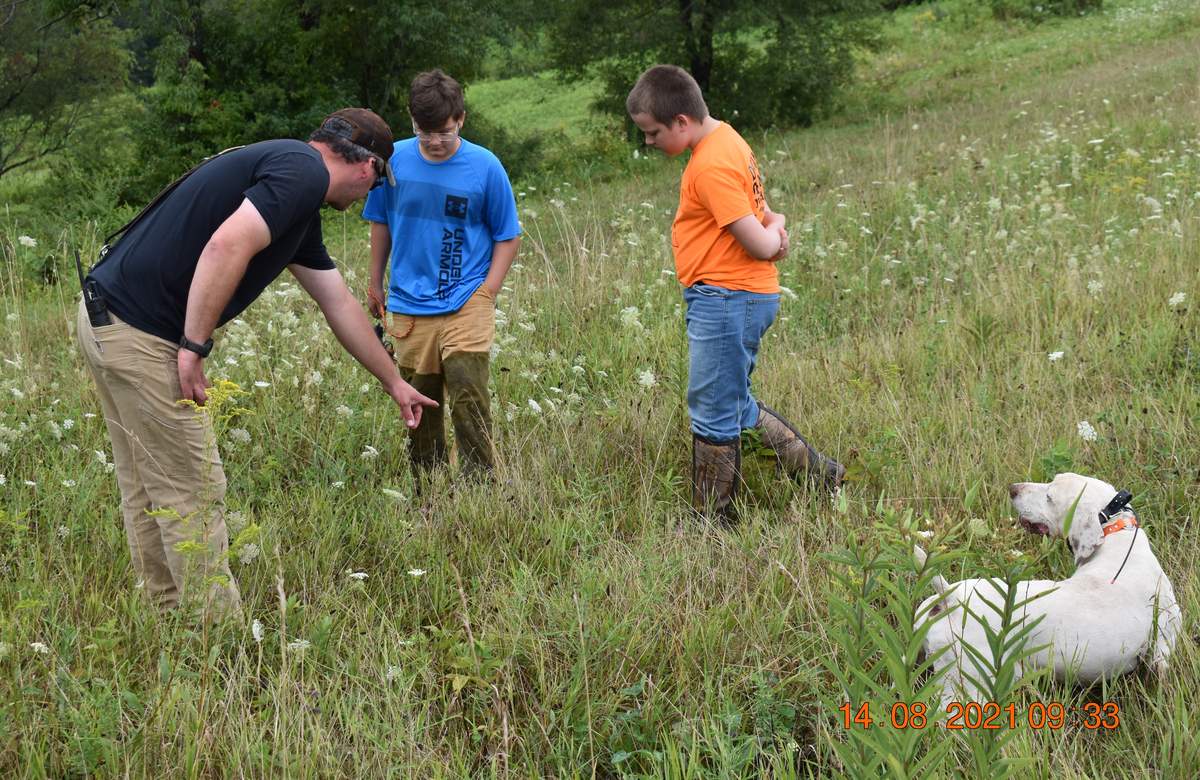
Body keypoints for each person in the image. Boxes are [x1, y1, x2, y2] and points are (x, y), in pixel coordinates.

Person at [76, 109, 438, 617]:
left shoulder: (294, 197)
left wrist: (395, 383)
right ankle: (213, 641)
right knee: (191, 490)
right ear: (367, 166)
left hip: (105, 320)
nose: (368, 197)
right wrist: (193, 345)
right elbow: (228, 245)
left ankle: (172, 619)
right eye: (376, 183)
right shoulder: (302, 172)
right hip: (143, 334)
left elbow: (339, 304)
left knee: (148, 483)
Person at [626, 65, 844, 522]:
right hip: (732, 297)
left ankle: (713, 520)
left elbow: (763, 242)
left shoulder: (710, 166)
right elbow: (766, 215)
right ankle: (819, 475)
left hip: (728, 298)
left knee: (711, 409)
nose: (648, 142)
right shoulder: (728, 139)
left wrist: (778, 233)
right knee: (733, 401)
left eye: (652, 133)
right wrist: (777, 225)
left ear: (681, 122)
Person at [363, 70, 521, 482]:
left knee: (469, 391)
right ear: (412, 122)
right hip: (408, 304)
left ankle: (481, 484)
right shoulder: (393, 161)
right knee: (420, 400)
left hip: (467, 298)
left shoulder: (485, 166)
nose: (434, 141)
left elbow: (508, 235)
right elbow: (380, 222)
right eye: (424, 132)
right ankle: (429, 485)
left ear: (462, 120)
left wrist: (488, 292)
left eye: (445, 133)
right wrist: (374, 281)